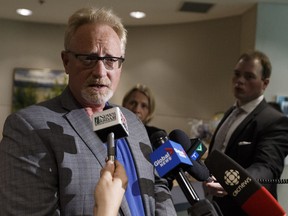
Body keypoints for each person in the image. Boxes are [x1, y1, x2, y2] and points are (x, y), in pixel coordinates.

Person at [0, 7, 177, 216]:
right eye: (88, 58)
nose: (100, 71)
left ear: (120, 65)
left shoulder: (134, 123)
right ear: (66, 61)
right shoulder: (28, 127)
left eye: (111, 60)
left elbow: (157, 185)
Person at [204, 50, 288, 215]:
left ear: (265, 83)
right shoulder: (231, 112)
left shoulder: (275, 121)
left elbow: (267, 168)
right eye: (237, 74)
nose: (240, 81)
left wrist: (234, 183)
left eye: (249, 76)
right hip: (216, 207)